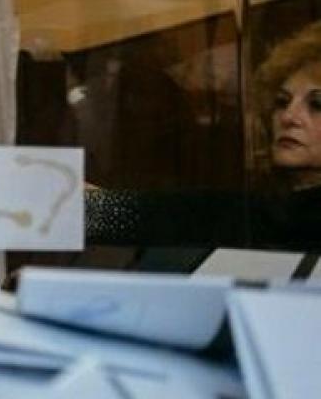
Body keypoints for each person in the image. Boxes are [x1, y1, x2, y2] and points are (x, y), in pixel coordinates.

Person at [84, 20, 321, 268]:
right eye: (282, 101)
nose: (289, 116)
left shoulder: (266, 218)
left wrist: (92, 208)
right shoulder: (264, 211)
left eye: (317, 104)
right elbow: (120, 215)